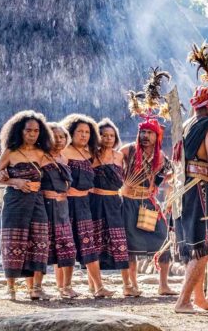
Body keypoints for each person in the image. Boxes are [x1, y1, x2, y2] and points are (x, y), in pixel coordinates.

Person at [174, 44, 208, 313]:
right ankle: (183, 300)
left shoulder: (187, 125)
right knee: (204, 245)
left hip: (183, 189)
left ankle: (198, 298)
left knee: (195, 245)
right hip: (201, 188)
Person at [0, 111, 51, 300]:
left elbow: (53, 175)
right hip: (14, 202)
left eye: (36, 131)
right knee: (13, 241)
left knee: (39, 242)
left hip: (37, 202)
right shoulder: (10, 151)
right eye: (28, 130)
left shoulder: (42, 153)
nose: (32, 134)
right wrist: (15, 181)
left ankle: (36, 288)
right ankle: (10, 289)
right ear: (20, 131)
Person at [120, 116, 176, 297]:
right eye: (142, 132)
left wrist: (160, 183)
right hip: (128, 203)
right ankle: (131, 285)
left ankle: (163, 285)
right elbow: (111, 164)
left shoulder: (160, 157)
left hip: (149, 203)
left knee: (163, 240)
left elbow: (169, 174)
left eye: (149, 133)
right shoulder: (128, 151)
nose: (145, 136)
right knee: (129, 246)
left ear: (157, 136)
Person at [61, 113, 114, 298]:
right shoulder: (65, 151)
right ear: (71, 132)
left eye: (87, 132)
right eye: (79, 131)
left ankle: (98, 287)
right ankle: (65, 287)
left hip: (85, 204)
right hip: (67, 204)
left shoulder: (90, 153)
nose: (83, 135)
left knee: (88, 244)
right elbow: (59, 179)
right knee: (67, 244)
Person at [90, 119, 130, 293]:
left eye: (111, 135)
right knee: (95, 243)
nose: (108, 138)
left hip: (115, 203)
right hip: (95, 202)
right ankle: (94, 285)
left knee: (120, 242)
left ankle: (127, 285)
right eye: (104, 135)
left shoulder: (120, 156)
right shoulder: (91, 155)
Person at [40, 122, 77, 299]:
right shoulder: (40, 157)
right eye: (54, 136)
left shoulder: (64, 158)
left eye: (62, 136)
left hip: (63, 207)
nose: (59, 140)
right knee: (41, 247)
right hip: (44, 206)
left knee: (68, 247)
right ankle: (36, 287)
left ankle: (66, 287)